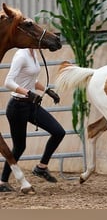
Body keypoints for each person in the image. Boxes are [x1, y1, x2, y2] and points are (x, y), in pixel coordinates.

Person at [0, 48, 65, 192]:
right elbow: (8, 82)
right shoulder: (21, 55)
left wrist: (47, 91)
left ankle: (41, 167)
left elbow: (30, 80)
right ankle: (3, 181)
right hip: (17, 106)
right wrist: (28, 93)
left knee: (58, 132)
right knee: (20, 146)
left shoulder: (34, 53)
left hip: (31, 104)